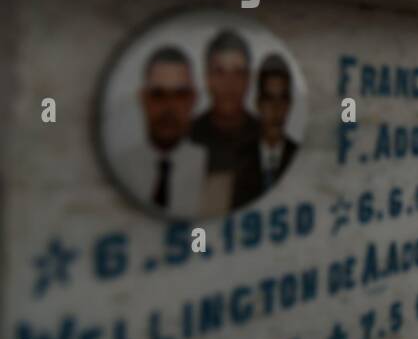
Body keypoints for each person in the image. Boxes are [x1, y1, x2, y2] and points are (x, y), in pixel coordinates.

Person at [116, 46, 208, 217]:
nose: (169, 108)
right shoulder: (121, 167)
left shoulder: (211, 168)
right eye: (158, 94)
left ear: (193, 99)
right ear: (143, 99)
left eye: (180, 95)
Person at [190, 29, 262, 211]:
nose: (229, 83)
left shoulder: (267, 137)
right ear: (207, 79)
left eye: (238, 73)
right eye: (220, 72)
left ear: (249, 79)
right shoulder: (186, 138)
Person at [256, 54, 298, 192]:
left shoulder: (300, 158)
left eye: (283, 99)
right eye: (269, 99)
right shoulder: (240, 160)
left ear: (289, 104)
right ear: (258, 104)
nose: (276, 108)